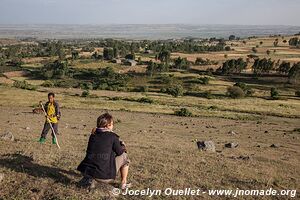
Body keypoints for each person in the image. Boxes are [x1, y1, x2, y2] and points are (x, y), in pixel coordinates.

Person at [77, 113, 131, 190]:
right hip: (104, 176)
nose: (113, 126)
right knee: (124, 156)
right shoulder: (113, 136)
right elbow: (119, 152)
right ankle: (123, 183)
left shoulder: (93, 135)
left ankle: (90, 179)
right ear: (108, 125)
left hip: (85, 171)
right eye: (112, 124)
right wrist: (123, 146)